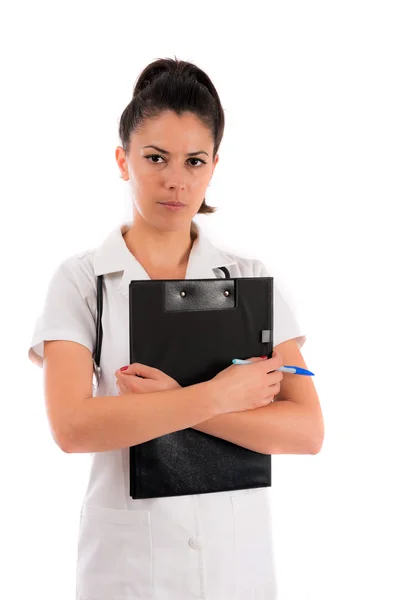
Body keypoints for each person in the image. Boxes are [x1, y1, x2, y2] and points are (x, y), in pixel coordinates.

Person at [28, 56, 319, 600]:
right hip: (130, 569)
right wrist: (217, 397)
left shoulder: (251, 280)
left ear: (213, 167)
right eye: (155, 157)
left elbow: (306, 431)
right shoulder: (83, 280)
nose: (175, 180)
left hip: (238, 566)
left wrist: (174, 401)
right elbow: (72, 426)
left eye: (194, 161)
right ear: (123, 159)